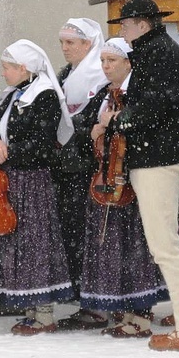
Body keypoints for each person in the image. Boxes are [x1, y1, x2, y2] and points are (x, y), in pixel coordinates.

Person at [108, 0, 179, 351]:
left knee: (165, 246)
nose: (122, 30)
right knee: (164, 244)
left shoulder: (157, 52)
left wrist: (122, 119)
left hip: (158, 159)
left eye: (126, 24)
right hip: (157, 156)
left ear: (143, 24)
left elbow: (162, 102)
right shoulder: (157, 50)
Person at [67, 37, 168, 338]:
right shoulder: (104, 93)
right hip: (107, 177)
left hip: (133, 179)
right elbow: (79, 126)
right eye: (103, 61)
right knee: (112, 245)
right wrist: (96, 129)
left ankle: (142, 315)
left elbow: (146, 130)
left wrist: (114, 126)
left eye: (112, 61)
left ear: (128, 62)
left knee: (135, 246)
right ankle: (124, 310)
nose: (106, 66)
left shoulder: (140, 95)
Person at [0, 39, 74, 335]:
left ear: (23, 67)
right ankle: (29, 307)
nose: (3, 73)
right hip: (11, 179)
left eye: (7, 68)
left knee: (35, 242)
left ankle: (44, 312)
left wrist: (9, 152)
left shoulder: (43, 96)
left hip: (32, 179)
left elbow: (43, 143)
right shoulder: (13, 95)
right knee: (17, 242)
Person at [54, 18, 110, 330]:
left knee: (94, 236)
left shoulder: (100, 76)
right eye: (62, 42)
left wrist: (73, 133)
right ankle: (85, 300)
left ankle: (99, 303)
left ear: (88, 44)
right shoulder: (65, 75)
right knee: (74, 233)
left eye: (70, 43)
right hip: (68, 169)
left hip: (91, 169)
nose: (64, 48)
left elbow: (94, 124)